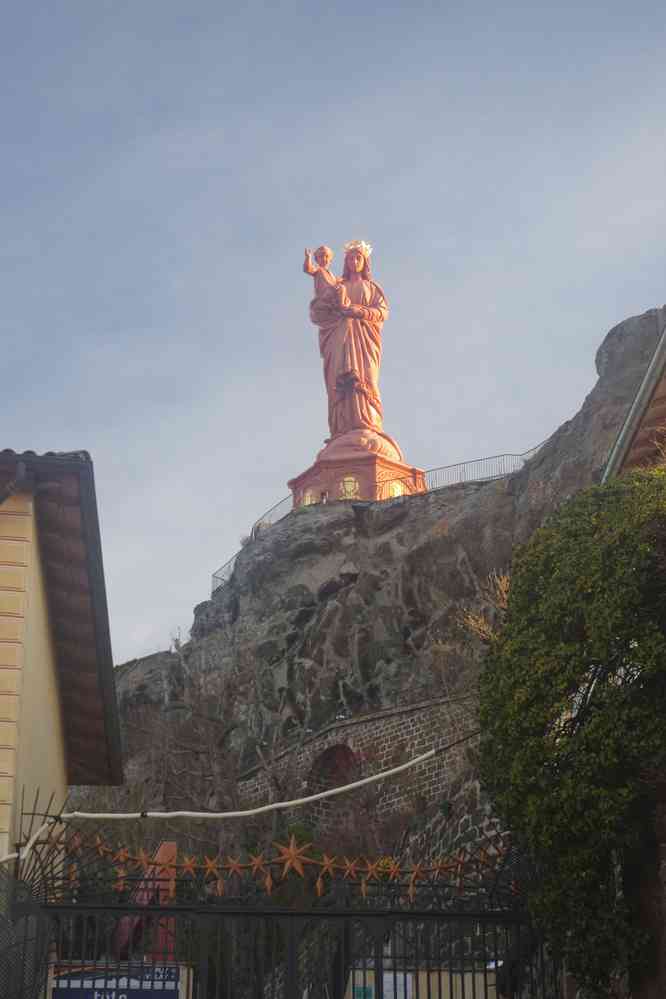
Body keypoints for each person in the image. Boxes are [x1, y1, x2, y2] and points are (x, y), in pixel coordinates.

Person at [309, 240, 389, 438]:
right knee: (339, 380)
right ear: (346, 262)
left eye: (358, 258)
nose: (354, 261)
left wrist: (357, 310)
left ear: (364, 262)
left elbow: (382, 312)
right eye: (350, 258)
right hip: (339, 338)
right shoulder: (338, 286)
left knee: (366, 378)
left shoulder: (371, 287)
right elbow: (319, 312)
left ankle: (369, 423)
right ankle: (341, 427)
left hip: (365, 339)